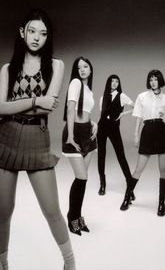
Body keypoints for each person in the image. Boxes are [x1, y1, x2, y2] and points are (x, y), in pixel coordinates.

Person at [0, 9, 75, 270]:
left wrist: (17, 105)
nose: (36, 37)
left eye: (43, 33)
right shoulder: (8, 68)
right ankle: (3, 264)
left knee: (52, 211)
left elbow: (47, 108)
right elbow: (0, 108)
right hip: (6, 138)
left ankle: (70, 263)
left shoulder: (56, 65)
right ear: (22, 32)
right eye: (31, 31)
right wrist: (35, 100)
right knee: (3, 212)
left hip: (36, 138)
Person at [120, 69, 165, 215]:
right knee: (139, 168)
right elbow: (138, 116)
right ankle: (127, 196)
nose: (153, 82)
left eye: (155, 79)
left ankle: (161, 203)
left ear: (160, 80)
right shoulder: (142, 97)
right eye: (150, 79)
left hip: (162, 132)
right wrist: (136, 134)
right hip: (148, 132)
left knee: (163, 169)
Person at [62, 56, 97, 236]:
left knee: (82, 180)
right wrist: (69, 136)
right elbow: (71, 109)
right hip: (74, 133)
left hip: (88, 135)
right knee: (81, 178)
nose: (82, 69)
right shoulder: (75, 82)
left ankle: (78, 216)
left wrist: (94, 123)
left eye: (85, 66)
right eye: (79, 67)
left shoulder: (88, 89)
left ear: (90, 69)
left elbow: (86, 112)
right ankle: (72, 217)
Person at [97, 74, 134, 196]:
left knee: (121, 156)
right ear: (108, 83)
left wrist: (123, 114)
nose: (114, 83)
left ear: (119, 84)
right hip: (102, 127)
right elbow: (101, 115)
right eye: (112, 81)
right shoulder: (103, 97)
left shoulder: (121, 96)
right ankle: (102, 184)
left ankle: (130, 186)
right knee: (101, 156)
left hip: (113, 128)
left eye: (116, 81)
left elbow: (136, 107)